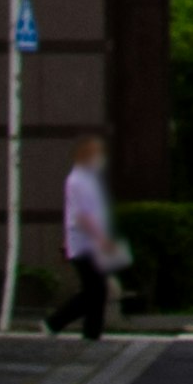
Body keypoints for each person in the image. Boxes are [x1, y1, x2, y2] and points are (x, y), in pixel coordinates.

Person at [59, 135, 116, 343]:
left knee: (96, 289)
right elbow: (83, 215)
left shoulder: (86, 179)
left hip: (88, 242)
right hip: (86, 243)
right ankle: (58, 322)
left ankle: (91, 332)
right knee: (95, 289)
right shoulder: (79, 180)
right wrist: (101, 238)